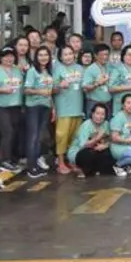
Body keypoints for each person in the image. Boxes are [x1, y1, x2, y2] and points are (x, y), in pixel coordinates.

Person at [0, 46, 24, 172]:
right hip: (0, 106)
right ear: (0, 58)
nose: (9, 58)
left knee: (15, 132)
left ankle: (13, 158)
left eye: (11, 56)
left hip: (16, 106)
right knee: (8, 132)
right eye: (6, 56)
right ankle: (5, 160)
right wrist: (2, 89)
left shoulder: (17, 71)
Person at [67, 103, 125, 178]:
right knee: (88, 154)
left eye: (102, 114)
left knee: (108, 155)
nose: (99, 117)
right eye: (97, 113)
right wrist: (97, 138)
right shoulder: (86, 125)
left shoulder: (106, 124)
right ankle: (77, 167)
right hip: (80, 151)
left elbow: (110, 139)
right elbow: (84, 145)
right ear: (92, 113)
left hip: (95, 150)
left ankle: (91, 169)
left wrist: (105, 145)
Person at [52, 45, 84, 175]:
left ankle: (71, 161)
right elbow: (51, 89)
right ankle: (60, 162)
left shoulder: (80, 68)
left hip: (78, 108)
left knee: (74, 138)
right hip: (63, 109)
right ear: (60, 57)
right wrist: (60, 85)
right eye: (65, 54)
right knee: (62, 136)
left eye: (70, 53)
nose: (68, 56)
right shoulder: (57, 69)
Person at [23, 47, 55, 179]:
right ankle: (31, 167)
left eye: (46, 55)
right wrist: (39, 92)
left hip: (46, 106)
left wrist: (53, 108)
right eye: (40, 55)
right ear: (36, 57)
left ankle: (35, 163)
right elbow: (26, 90)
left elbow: (50, 92)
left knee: (39, 137)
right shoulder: (32, 71)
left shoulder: (48, 71)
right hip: (34, 107)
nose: (43, 58)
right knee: (33, 136)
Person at [108, 46, 131, 118]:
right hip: (121, 106)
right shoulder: (117, 69)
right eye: (129, 54)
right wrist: (128, 87)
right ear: (123, 56)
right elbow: (111, 88)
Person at [82, 43, 112, 118]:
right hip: (94, 103)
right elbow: (85, 88)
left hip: (108, 103)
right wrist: (98, 83)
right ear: (95, 56)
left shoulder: (109, 66)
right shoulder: (90, 69)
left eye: (107, 54)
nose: (105, 57)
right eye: (102, 55)